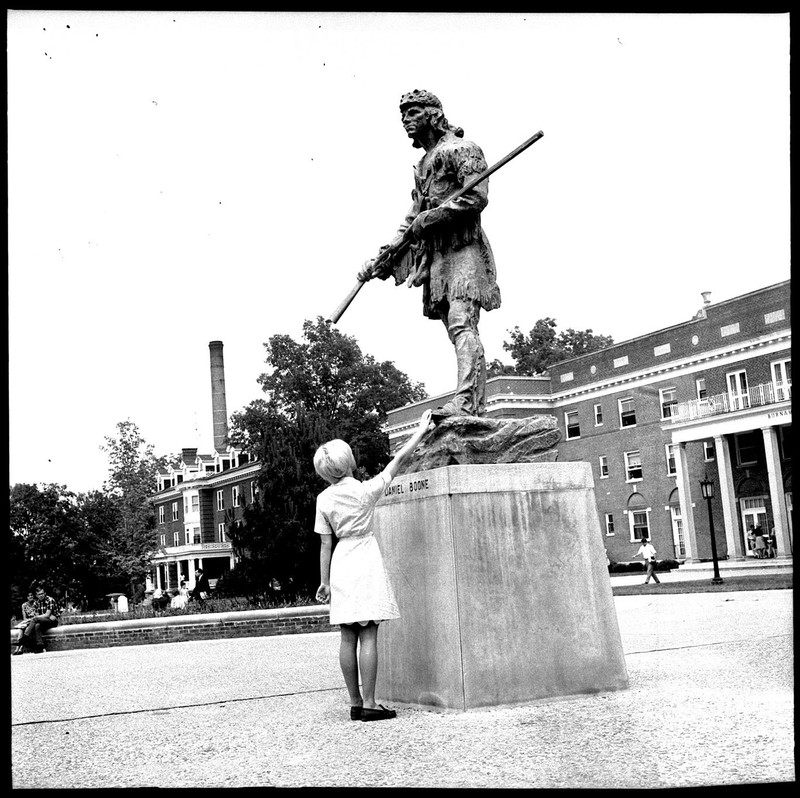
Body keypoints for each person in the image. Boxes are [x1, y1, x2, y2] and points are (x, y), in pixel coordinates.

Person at [358, 90, 500, 422]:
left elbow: (475, 197)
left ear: (433, 115)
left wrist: (431, 218)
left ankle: (467, 404)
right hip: (436, 256)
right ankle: (472, 406)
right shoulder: (423, 164)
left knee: (462, 324)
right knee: (455, 329)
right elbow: (413, 216)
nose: (406, 120)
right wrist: (386, 255)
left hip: (464, 248)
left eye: (413, 113)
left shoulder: (462, 149)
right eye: (403, 115)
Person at [314, 409, 433, 722]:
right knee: (368, 633)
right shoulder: (366, 491)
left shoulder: (323, 500)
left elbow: (325, 544)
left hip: (341, 561)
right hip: (365, 556)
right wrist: (420, 430)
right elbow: (400, 460)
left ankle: (354, 701)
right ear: (349, 462)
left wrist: (324, 582)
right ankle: (369, 702)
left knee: (347, 635)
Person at [16, 584, 60, 654]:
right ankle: (40, 646)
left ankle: (25, 638)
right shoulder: (36, 603)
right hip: (43, 621)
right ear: (36, 595)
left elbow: (47, 615)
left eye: (42, 593)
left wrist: (39, 617)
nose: (41, 595)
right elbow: (38, 615)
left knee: (35, 619)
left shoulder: (50, 600)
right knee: (37, 626)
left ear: (45, 593)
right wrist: (40, 617)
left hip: (53, 621)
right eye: (39, 594)